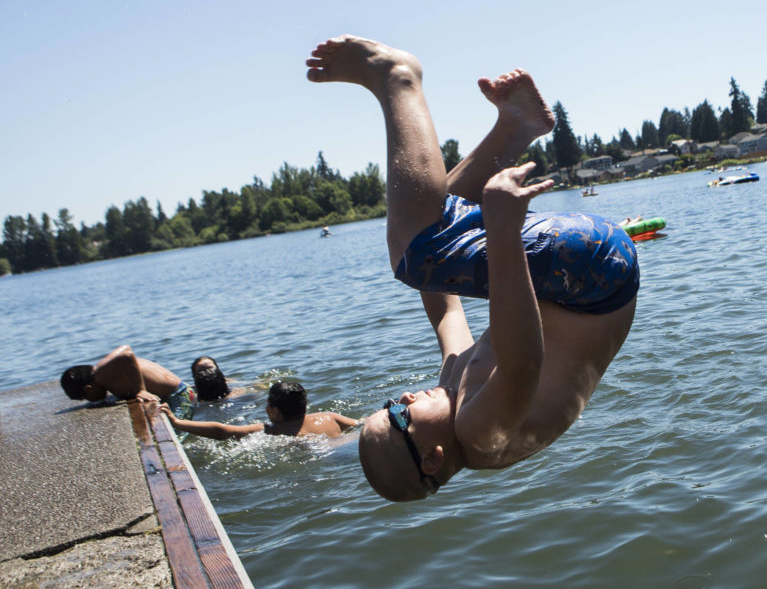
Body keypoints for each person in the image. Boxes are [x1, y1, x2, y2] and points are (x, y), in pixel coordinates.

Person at [306, 35, 638, 502]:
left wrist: (429, 267)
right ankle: (396, 76)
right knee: (416, 252)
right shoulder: (483, 436)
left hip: (589, 275)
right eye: (399, 417)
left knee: (428, 248)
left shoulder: (453, 392)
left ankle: (516, 127)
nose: (401, 399)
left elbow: (447, 314)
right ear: (433, 458)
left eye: (388, 406)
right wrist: (500, 231)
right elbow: (523, 363)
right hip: (592, 278)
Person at [161, 380, 358, 440]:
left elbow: (222, 431)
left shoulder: (270, 431)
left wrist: (177, 423)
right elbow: (362, 424)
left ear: (274, 411)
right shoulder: (329, 417)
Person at [60, 345, 198, 420]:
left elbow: (126, 353)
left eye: (86, 397)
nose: (90, 400)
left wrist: (140, 390)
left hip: (180, 395)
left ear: (89, 388)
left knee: (180, 437)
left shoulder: (100, 372)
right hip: (179, 394)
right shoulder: (105, 378)